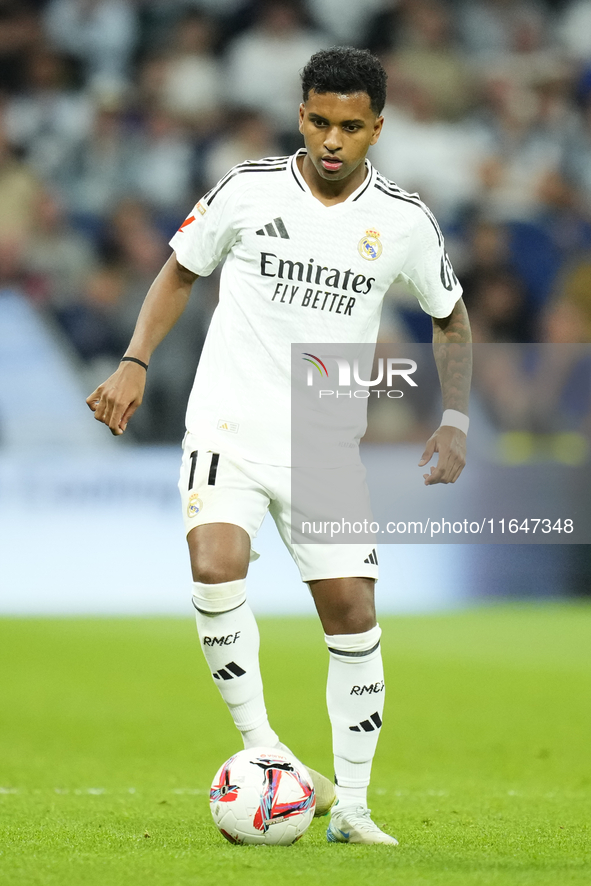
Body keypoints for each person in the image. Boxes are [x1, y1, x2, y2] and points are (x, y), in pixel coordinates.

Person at [87, 47, 471, 845]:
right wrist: (134, 361)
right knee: (215, 566)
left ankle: (354, 809)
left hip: (323, 443)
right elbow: (179, 272)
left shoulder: (402, 220)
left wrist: (455, 417)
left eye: (351, 127)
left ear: (377, 129)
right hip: (228, 422)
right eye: (320, 122)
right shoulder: (248, 189)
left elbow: (451, 317)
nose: (333, 140)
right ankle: (266, 750)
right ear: (301, 116)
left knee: (351, 614)